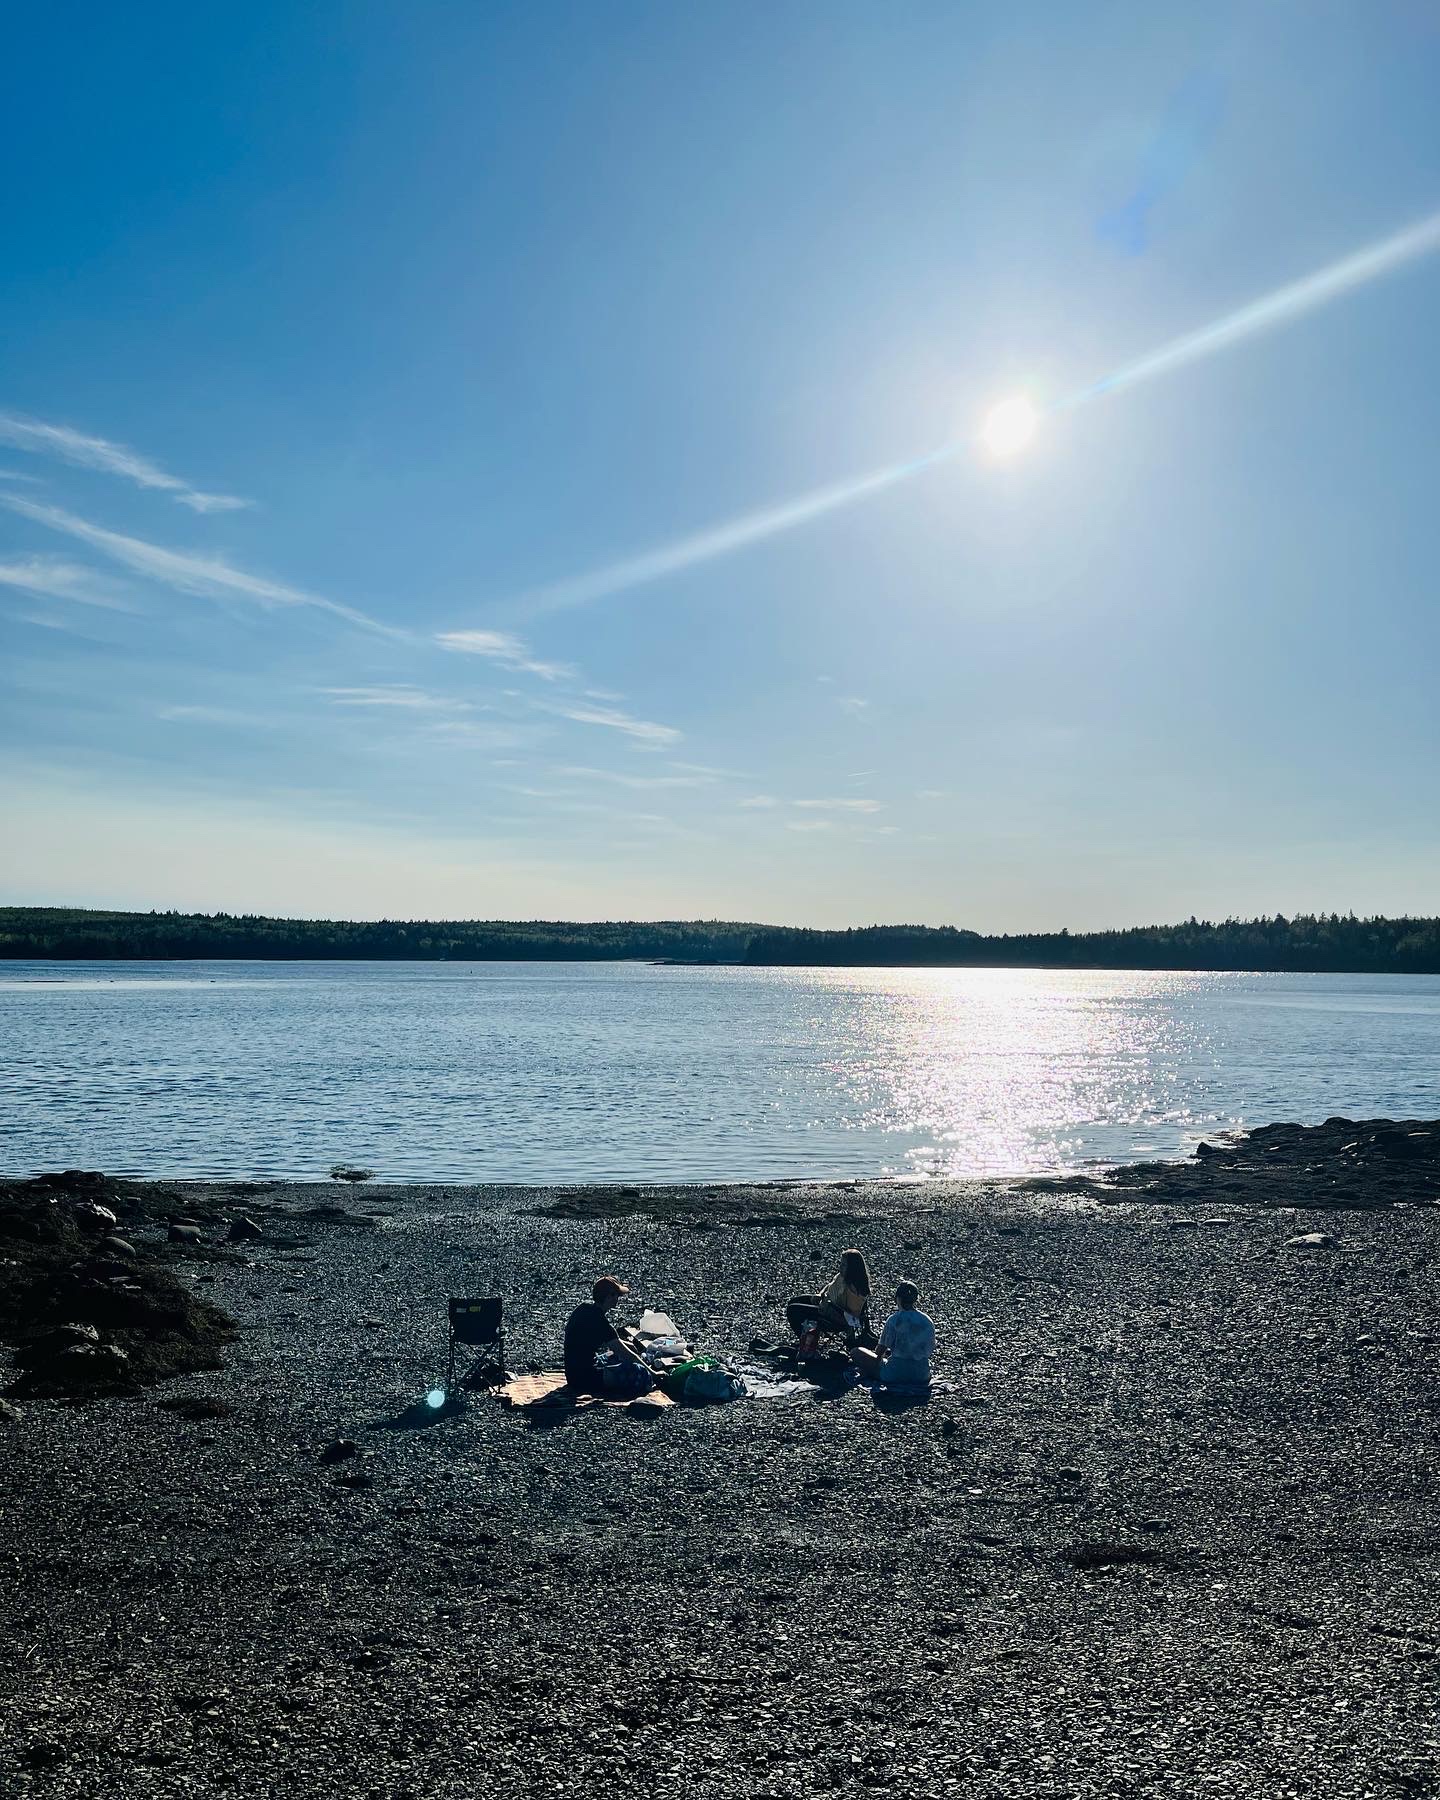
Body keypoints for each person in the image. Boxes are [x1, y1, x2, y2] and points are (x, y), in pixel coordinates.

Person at [563, 1275, 654, 1395]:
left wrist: (629, 1346)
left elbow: (617, 1345)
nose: (618, 1299)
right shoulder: (600, 1322)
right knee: (641, 1373)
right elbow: (625, 1353)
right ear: (609, 1296)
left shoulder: (585, 1308)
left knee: (615, 1354)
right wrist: (653, 1374)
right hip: (584, 1379)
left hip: (573, 1373)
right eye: (616, 1295)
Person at [785, 1248, 875, 1349]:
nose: (840, 1267)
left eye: (844, 1265)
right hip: (825, 1303)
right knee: (794, 1301)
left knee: (793, 1309)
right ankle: (805, 1339)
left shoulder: (855, 1290)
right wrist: (820, 1294)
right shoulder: (842, 1277)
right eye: (841, 1264)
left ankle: (807, 1343)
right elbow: (829, 1286)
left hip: (831, 1316)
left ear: (852, 1268)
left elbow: (850, 1317)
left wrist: (829, 1306)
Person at [860, 1280, 935, 1391]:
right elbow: (929, 1349)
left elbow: (879, 1352)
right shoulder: (927, 1321)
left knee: (857, 1352)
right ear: (915, 1299)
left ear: (898, 1299)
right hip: (922, 1375)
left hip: (895, 1374)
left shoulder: (894, 1320)